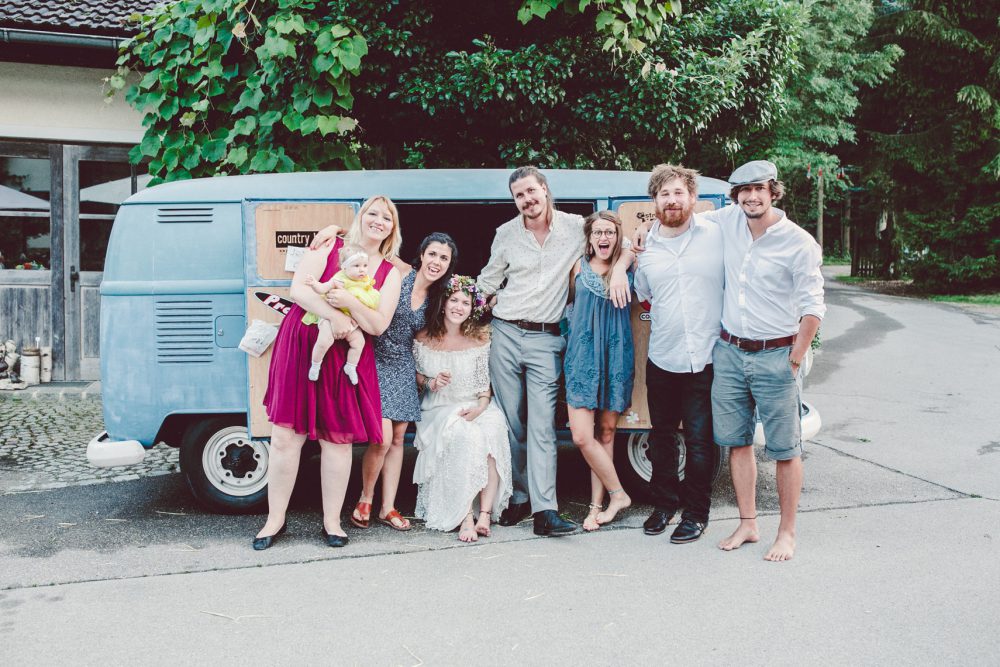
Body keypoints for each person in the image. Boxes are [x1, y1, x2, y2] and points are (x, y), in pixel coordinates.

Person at [477, 166, 633, 537]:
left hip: (547, 339)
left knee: (543, 424)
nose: (527, 200)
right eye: (519, 195)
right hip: (505, 331)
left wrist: (623, 267)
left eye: (532, 191)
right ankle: (519, 496)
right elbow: (487, 279)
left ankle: (545, 511)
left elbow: (617, 239)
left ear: (545, 190)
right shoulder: (506, 234)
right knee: (512, 422)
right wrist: (476, 313)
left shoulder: (575, 227)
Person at [254, 195, 405, 550]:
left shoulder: (390, 274)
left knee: (337, 441)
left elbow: (379, 324)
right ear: (361, 217)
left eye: (386, 217)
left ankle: (332, 522)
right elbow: (298, 289)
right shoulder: (330, 244)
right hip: (302, 345)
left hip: (345, 359)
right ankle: (274, 520)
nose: (377, 220)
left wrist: (350, 305)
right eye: (372, 213)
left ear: (392, 228)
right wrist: (336, 317)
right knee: (284, 437)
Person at [705, 160, 825, 561]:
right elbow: (680, 217)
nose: (751, 197)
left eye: (759, 189)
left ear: (774, 191)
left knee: (785, 449)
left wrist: (795, 356)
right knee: (737, 443)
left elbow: (813, 307)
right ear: (735, 196)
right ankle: (748, 523)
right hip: (729, 352)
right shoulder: (727, 222)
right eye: (744, 190)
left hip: (776, 354)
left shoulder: (799, 242)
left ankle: (787, 533)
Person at [311, 228, 457, 532]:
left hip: (403, 363)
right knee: (380, 436)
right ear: (421, 255)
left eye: (444, 258)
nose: (437, 261)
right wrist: (333, 230)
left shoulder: (437, 298)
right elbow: (365, 238)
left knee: (397, 438)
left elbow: (431, 336)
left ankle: (387, 507)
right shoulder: (398, 275)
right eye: (432, 254)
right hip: (373, 356)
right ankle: (366, 497)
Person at [633, 164, 724, 545]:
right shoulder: (645, 248)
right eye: (664, 194)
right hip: (663, 357)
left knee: (702, 440)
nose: (672, 200)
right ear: (654, 201)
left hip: (706, 356)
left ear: (692, 197)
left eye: (678, 193)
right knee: (662, 436)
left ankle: (696, 513)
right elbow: (644, 296)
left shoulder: (716, 234)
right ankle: (663, 505)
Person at [412, 275, 512, 542]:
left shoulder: (480, 340)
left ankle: (486, 514)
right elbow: (415, 377)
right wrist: (431, 381)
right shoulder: (422, 338)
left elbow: (483, 390)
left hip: (475, 405)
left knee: (493, 427)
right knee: (466, 436)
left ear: (472, 308)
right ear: (443, 304)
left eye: (465, 303)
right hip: (439, 408)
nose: (458, 307)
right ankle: (465, 514)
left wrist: (480, 409)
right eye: (454, 300)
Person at [563, 211, 634, 532]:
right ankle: (619, 494)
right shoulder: (577, 266)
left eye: (610, 232)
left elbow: (640, 240)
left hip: (615, 354)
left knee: (606, 433)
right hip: (582, 356)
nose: (603, 238)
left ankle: (597, 507)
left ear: (617, 237)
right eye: (598, 232)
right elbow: (567, 308)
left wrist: (622, 263)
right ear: (589, 238)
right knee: (581, 435)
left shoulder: (629, 263)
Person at [302, 244, 380, 384]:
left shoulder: (365, 282)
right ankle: (315, 364)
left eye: (364, 265)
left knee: (358, 342)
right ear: (344, 268)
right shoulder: (338, 280)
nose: (362, 269)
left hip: (351, 319)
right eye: (356, 266)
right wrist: (315, 284)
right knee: (325, 340)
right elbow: (322, 289)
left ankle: (350, 366)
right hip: (331, 316)